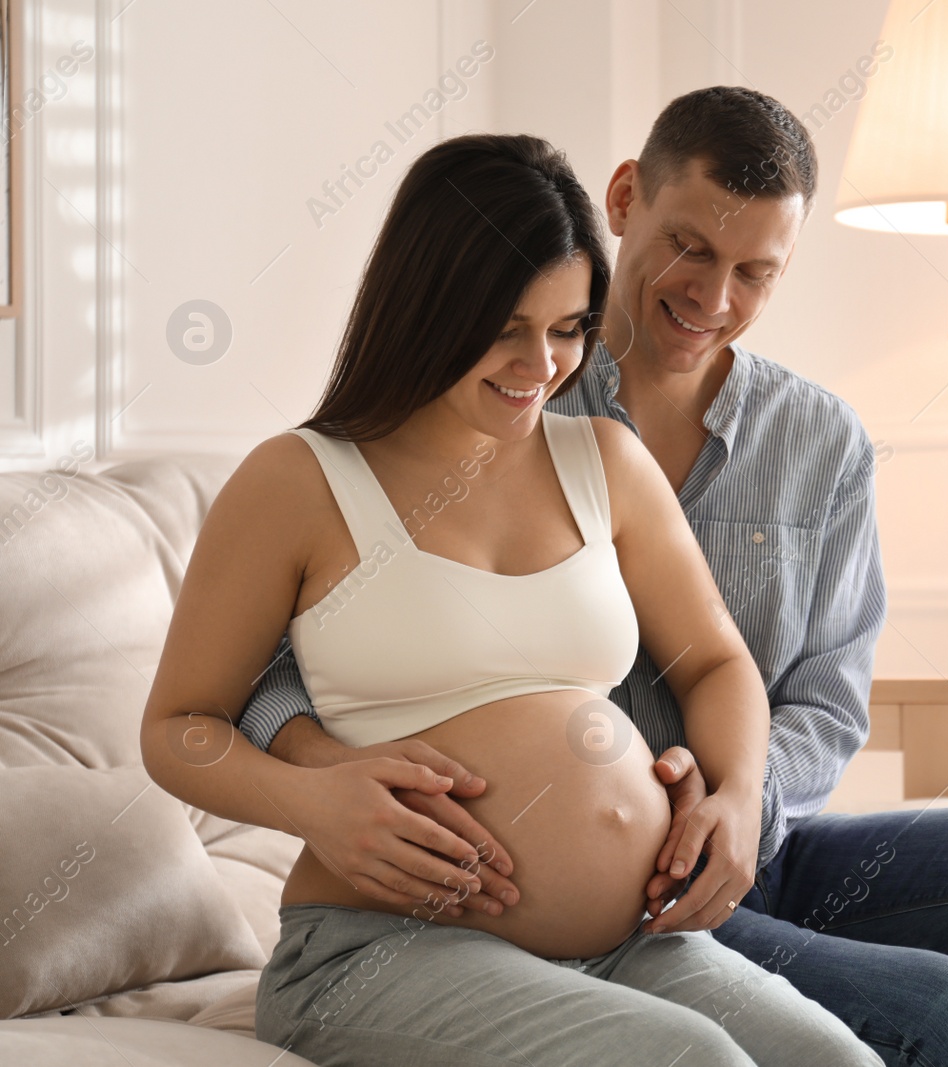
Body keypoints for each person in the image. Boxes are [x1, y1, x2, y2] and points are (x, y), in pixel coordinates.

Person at [235, 88, 948, 1066]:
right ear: (622, 201)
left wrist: (742, 805)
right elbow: (291, 655)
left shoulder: (817, 441)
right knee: (945, 1007)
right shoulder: (500, 395)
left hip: (758, 846)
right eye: (691, 247)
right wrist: (325, 770)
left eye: (755, 272)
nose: (714, 296)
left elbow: (822, 697)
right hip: (607, 889)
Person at [139, 131, 880, 1067]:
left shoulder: (603, 463)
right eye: (505, 328)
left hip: (624, 943)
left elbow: (718, 659)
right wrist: (314, 802)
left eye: (569, 327)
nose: (544, 365)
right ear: (428, 305)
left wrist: (735, 794)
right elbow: (178, 726)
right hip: (378, 947)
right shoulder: (299, 480)